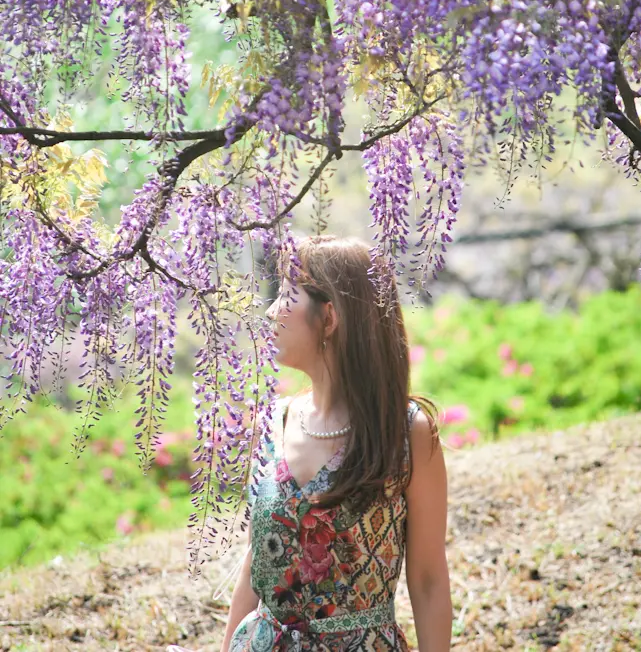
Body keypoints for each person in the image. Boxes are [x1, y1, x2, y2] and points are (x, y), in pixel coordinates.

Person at [169, 235, 451, 652]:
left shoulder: (406, 432)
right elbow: (256, 568)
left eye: (288, 293)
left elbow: (428, 582)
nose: (271, 310)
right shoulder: (273, 422)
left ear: (329, 317)